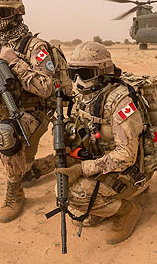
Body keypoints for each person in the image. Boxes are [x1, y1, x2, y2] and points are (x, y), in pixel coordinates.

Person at [0, 0, 72, 223]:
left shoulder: (35, 47)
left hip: (36, 111)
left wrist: (15, 63)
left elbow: (46, 87)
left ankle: (15, 192)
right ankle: (38, 168)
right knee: (20, 158)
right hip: (7, 113)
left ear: (17, 13)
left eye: (2, 12)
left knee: (6, 135)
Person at [56, 41, 145, 245]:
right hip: (101, 160)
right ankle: (100, 205)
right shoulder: (86, 96)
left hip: (129, 170)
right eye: (73, 73)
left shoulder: (121, 102)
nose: (78, 81)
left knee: (71, 193)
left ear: (102, 72)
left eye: (85, 74)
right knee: (61, 171)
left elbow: (126, 156)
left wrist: (82, 169)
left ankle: (126, 210)